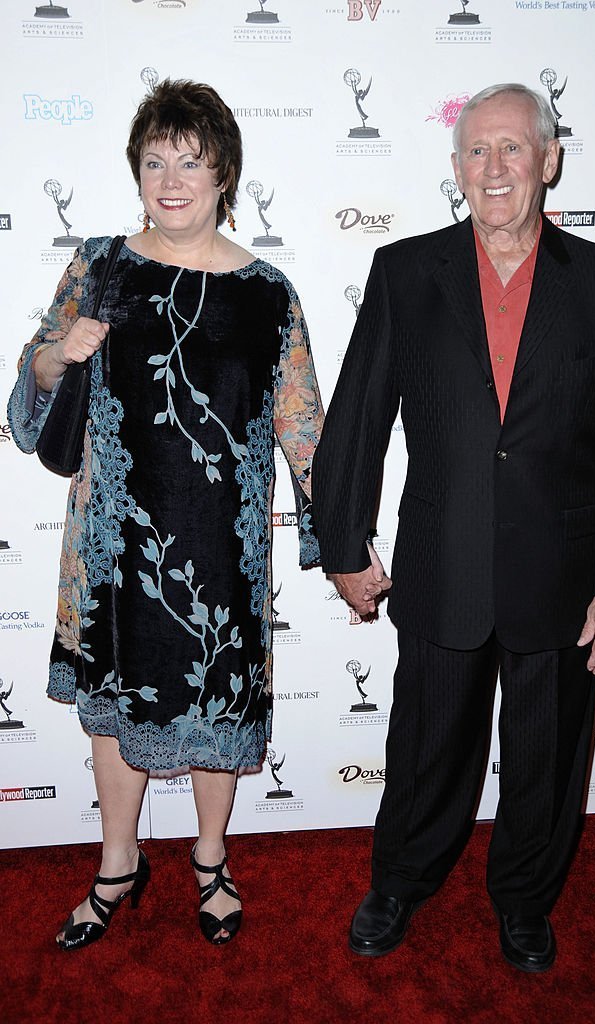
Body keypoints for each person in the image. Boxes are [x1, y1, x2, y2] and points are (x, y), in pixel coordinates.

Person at [313, 83, 595, 972]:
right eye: (476, 151)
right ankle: (399, 882)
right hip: (442, 561)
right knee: (427, 749)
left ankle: (525, 900)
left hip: (565, 574)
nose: (494, 168)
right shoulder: (404, 271)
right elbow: (357, 419)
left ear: (550, 160)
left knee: (547, 761)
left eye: (513, 149)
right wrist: (343, 547)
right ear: (456, 166)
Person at [8, 79, 323, 950]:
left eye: (191, 160)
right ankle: (117, 862)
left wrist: (343, 544)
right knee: (116, 703)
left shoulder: (270, 294)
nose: (172, 178)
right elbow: (30, 392)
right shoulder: (100, 265)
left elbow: (302, 425)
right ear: (136, 172)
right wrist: (53, 355)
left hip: (222, 549)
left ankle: (211, 859)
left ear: (224, 172)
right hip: (113, 543)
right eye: (156, 161)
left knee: (218, 707)